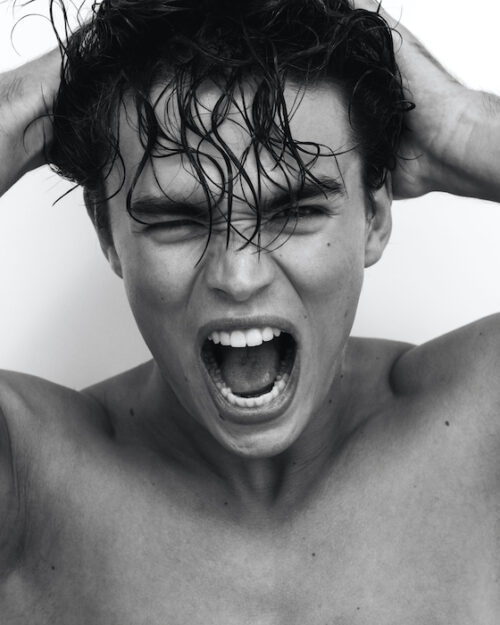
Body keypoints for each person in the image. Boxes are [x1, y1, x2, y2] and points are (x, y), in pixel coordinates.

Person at [0, 0, 499, 622]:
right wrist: (26, 102)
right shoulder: (28, 478)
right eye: (178, 220)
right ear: (108, 235)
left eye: (294, 211)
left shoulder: (481, 425)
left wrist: (465, 128)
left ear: (373, 216)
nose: (239, 277)